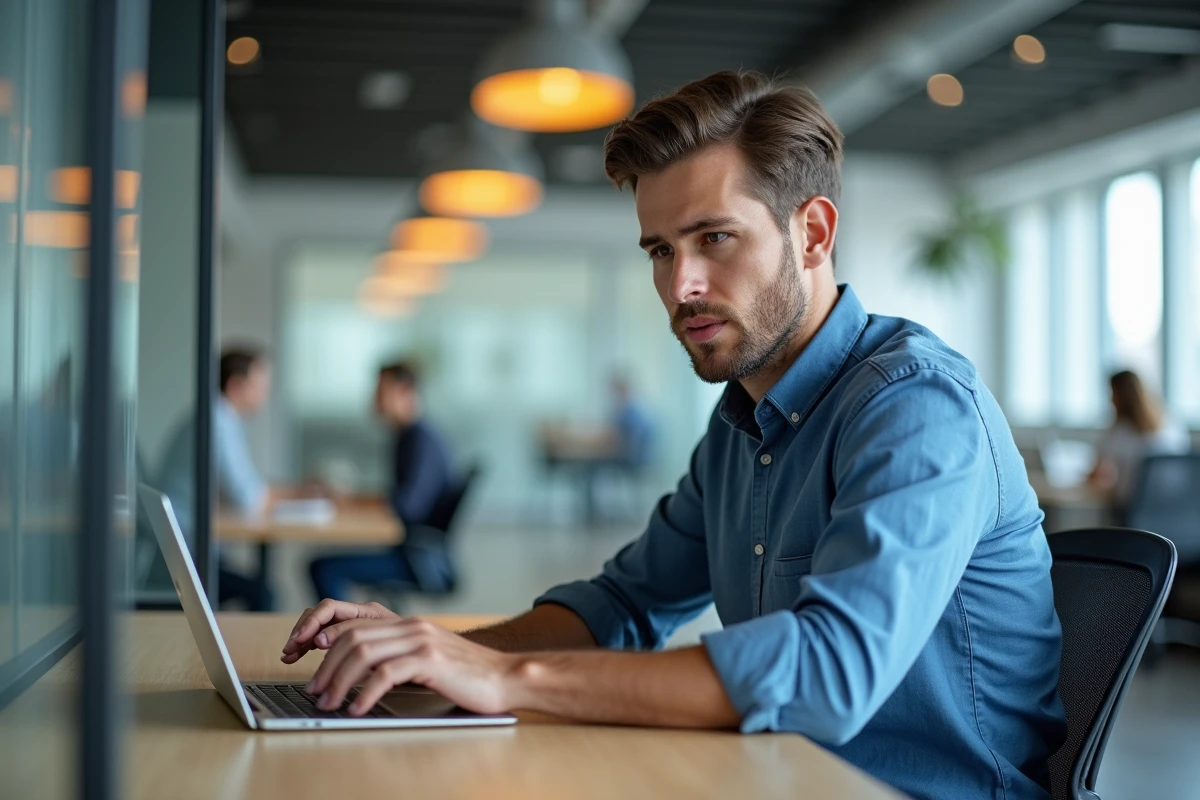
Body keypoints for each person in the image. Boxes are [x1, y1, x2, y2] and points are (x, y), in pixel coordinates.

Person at [280, 71, 1066, 800]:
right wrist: (444, 658)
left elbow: (829, 674)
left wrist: (510, 677)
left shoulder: (916, 408)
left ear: (814, 235)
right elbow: (625, 603)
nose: (680, 285)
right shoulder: (742, 422)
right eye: (660, 250)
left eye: (714, 238)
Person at [308, 361, 455, 602]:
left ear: (406, 391)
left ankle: (340, 636)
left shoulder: (420, 441)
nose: (374, 401)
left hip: (418, 559)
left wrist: (359, 503)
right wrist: (356, 500)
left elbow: (406, 506)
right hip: (416, 551)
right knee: (323, 564)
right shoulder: (411, 436)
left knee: (323, 568)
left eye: (381, 392)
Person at [158, 346, 277, 611]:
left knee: (257, 587)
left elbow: (244, 489)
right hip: (183, 554)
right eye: (260, 385)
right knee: (263, 593)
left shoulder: (220, 418)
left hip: (188, 545)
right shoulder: (217, 421)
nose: (265, 394)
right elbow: (249, 498)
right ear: (236, 385)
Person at [1088, 370, 1188, 507]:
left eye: (1112, 394)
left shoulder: (1119, 431)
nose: (1110, 400)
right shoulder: (1170, 423)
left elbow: (1096, 474)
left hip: (1133, 510)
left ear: (1119, 396)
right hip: (1175, 508)